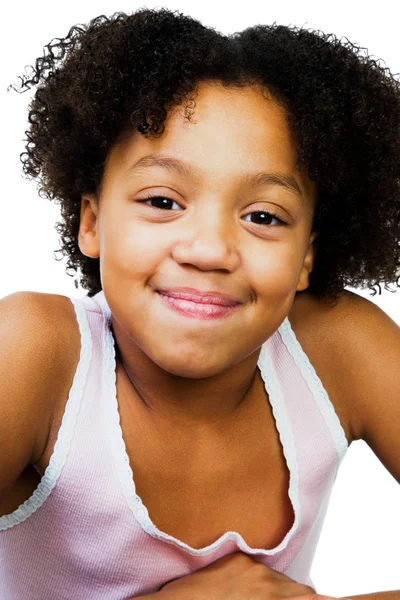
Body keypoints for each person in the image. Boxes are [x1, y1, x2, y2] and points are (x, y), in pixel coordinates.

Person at [1, 7, 399, 600]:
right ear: (91, 222)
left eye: (263, 216)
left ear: (307, 256)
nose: (211, 250)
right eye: (162, 201)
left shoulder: (337, 347)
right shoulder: (35, 354)